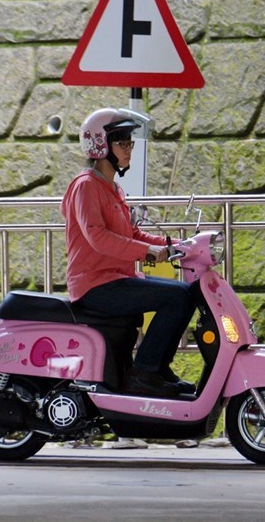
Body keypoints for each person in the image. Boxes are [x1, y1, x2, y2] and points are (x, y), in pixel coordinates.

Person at [61, 107, 195, 398]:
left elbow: (130, 234)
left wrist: (173, 246)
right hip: (96, 284)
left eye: (130, 143)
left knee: (184, 293)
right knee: (179, 296)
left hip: (116, 279)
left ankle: (156, 369)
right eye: (122, 143)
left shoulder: (112, 188)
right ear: (101, 145)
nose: (128, 149)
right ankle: (147, 371)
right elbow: (97, 236)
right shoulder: (85, 186)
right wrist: (147, 252)